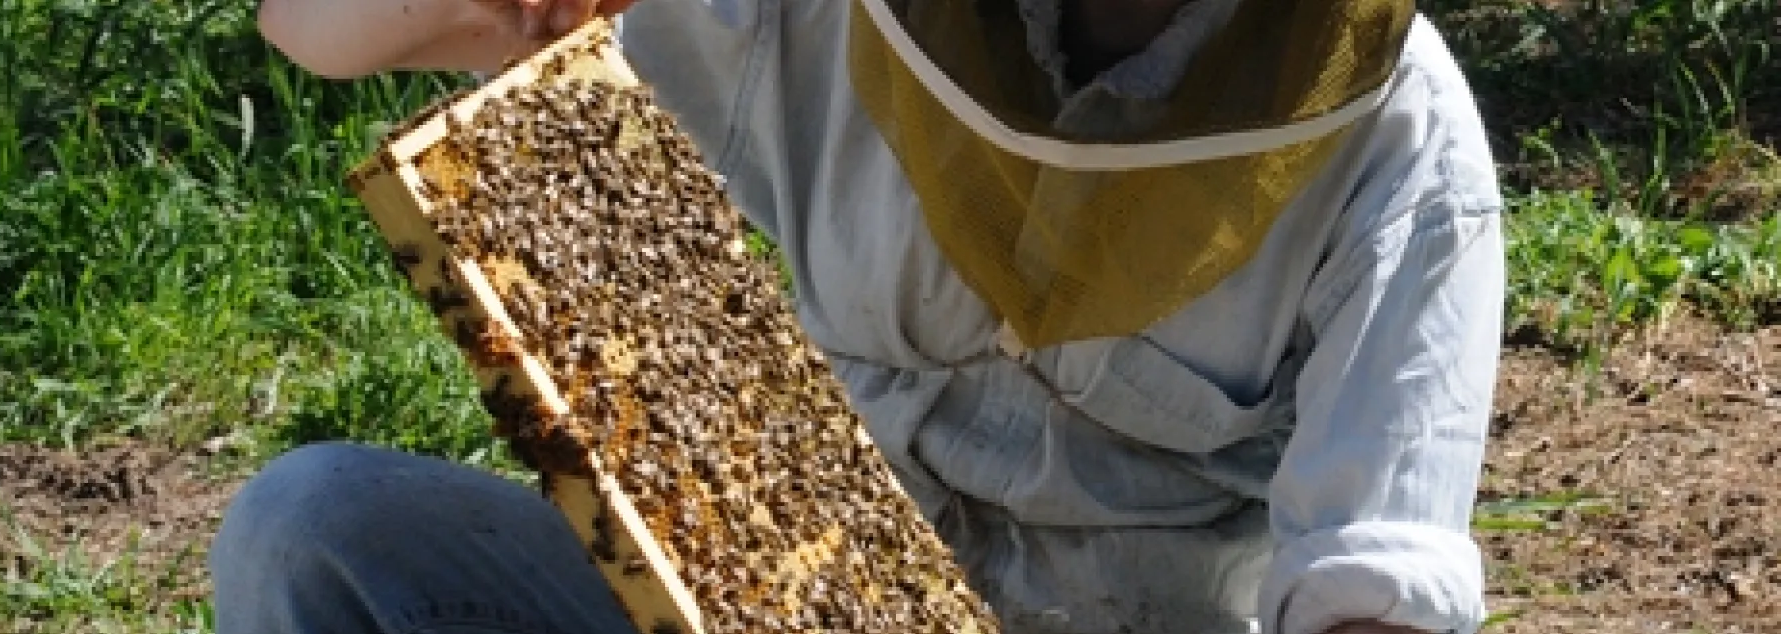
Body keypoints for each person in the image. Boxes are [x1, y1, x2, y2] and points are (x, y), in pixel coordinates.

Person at [215, 0, 1506, 633]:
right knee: (312, 529)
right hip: (788, 588)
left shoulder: (1408, 157)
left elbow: (1369, 597)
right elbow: (327, 27)